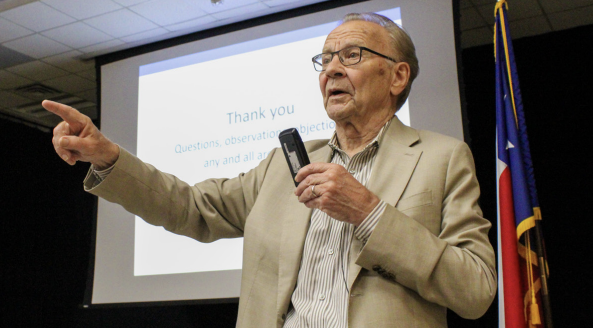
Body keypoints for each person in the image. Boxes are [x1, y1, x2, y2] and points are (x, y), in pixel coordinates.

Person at [43, 13, 496, 328]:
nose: (332, 69)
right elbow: (191, 207)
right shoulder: (285, 164)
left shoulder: (441, 158)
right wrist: (106, 156)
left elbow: (476, 290)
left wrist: (371, 212)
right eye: (325, 59)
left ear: (397, 77)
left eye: (352, 55)